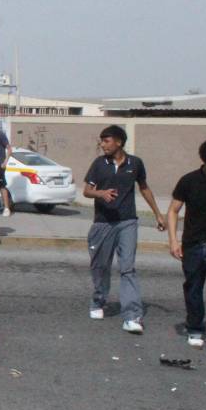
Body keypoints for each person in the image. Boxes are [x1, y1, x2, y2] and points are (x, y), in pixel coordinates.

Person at [83, 125, 167, 334]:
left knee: (127, 267)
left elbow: (144, 188)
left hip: (127, 222)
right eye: (101, 141)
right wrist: (101, 194)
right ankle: (98, 300)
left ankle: (132, 316)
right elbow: (86, 191)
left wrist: (158, 213)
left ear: (119, 142)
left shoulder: (135, 163)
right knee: (101, 267)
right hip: (103, 223)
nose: (103, 144)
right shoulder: (99, 164)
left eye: (107, 140)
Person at [166, 138, 206, 357]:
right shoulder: (189, 181)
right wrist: (173, 240)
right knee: (193, 289)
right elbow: (173, 210)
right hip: (193, 245)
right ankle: (195, 327)